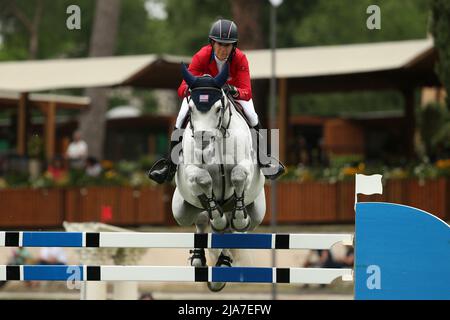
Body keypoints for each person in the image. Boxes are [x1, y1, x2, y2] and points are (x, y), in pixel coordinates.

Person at [148, 19, 285, 184]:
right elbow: (182, 87)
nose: (223, 49)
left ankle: (264, 160)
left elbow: (247, 92)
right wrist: (192, 89)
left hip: (231, 94)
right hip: (202, 95)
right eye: (219, 44)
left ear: (234, 46)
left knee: (252, 116)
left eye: (227, 45)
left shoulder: (240, 59)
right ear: (212, 43)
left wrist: (233, 90)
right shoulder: (202, 56)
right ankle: (170, 164)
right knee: (181, 116)